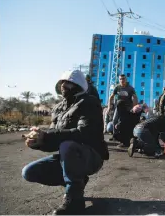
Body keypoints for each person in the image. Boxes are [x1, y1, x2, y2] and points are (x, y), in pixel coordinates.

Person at [21, 70, 109, 215]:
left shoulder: (89, 102)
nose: (64, 86)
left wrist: (48, 135)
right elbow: (53, 141)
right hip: (69, 156)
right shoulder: (58, 108)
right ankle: (77, 183)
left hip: (92, 156)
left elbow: (84, 133)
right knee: (29, 172)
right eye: (62, 83)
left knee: (67, 144)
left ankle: (75, 200)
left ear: (78, 85)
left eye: (68, 83)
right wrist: (39, 141)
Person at [107, 74, 138, 141]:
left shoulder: (130, 88)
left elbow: (135, 97)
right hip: (119, 107)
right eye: (120, 79)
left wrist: (134, 107)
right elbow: (111, 97)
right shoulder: (117, 87)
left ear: (126, 79)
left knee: (126, 122)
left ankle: (127, 137)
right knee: (115, 120)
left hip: (128, 107)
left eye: (123, 79)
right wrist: (109, 107)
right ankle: (115, 136)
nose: (122, 80)